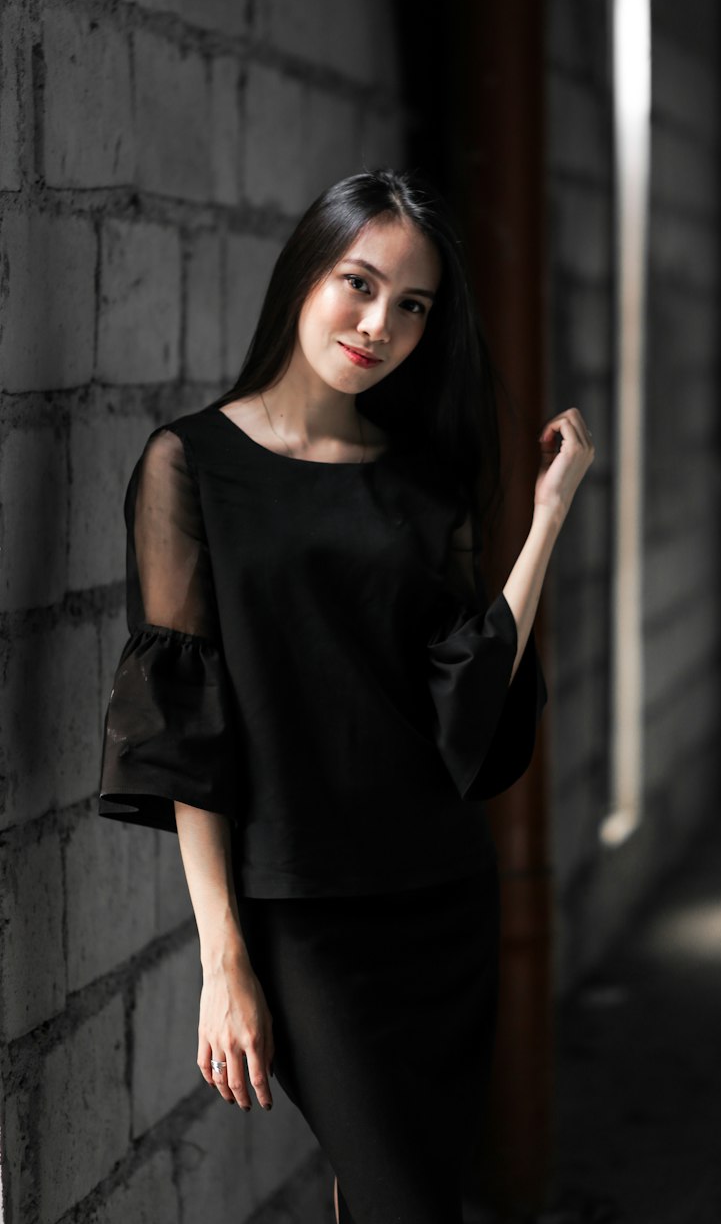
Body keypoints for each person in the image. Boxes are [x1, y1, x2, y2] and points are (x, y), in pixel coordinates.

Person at [97, 167, 594, 1223]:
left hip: (439, 899)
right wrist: (222, 959)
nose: (380, 325)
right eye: (358, 284)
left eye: (412, 306)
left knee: (391, 1198)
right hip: (301, 913)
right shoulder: (188, 466)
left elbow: (467, 699)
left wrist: (545, 521)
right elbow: (188, 732)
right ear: (303, 277)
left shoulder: (417, 483)